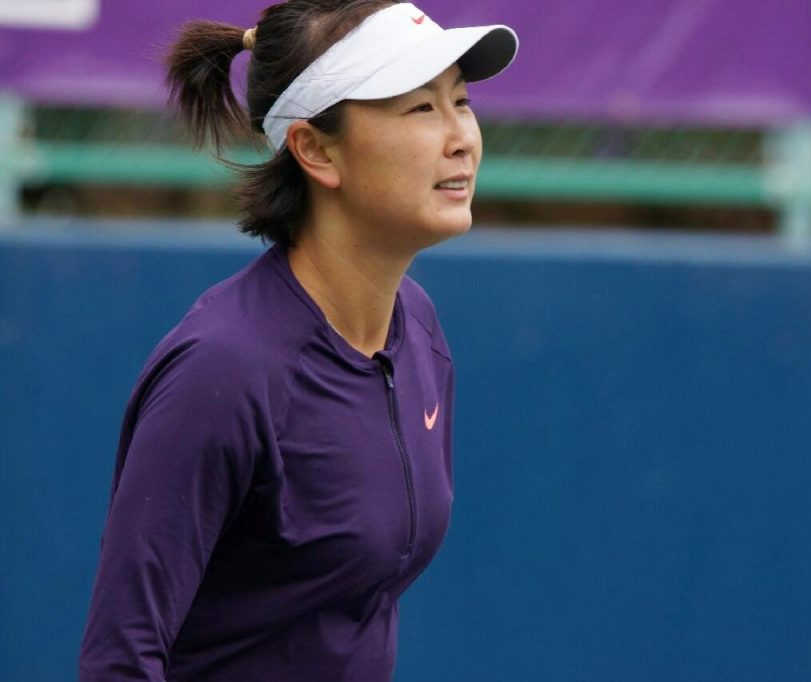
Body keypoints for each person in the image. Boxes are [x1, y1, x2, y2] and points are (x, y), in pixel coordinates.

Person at [78, 1, 517, 679]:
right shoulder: (223, 371)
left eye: (461, 102)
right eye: (420, 109)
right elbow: (119, 661)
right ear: (315, 150)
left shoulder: (419, 329)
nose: (461, 137)